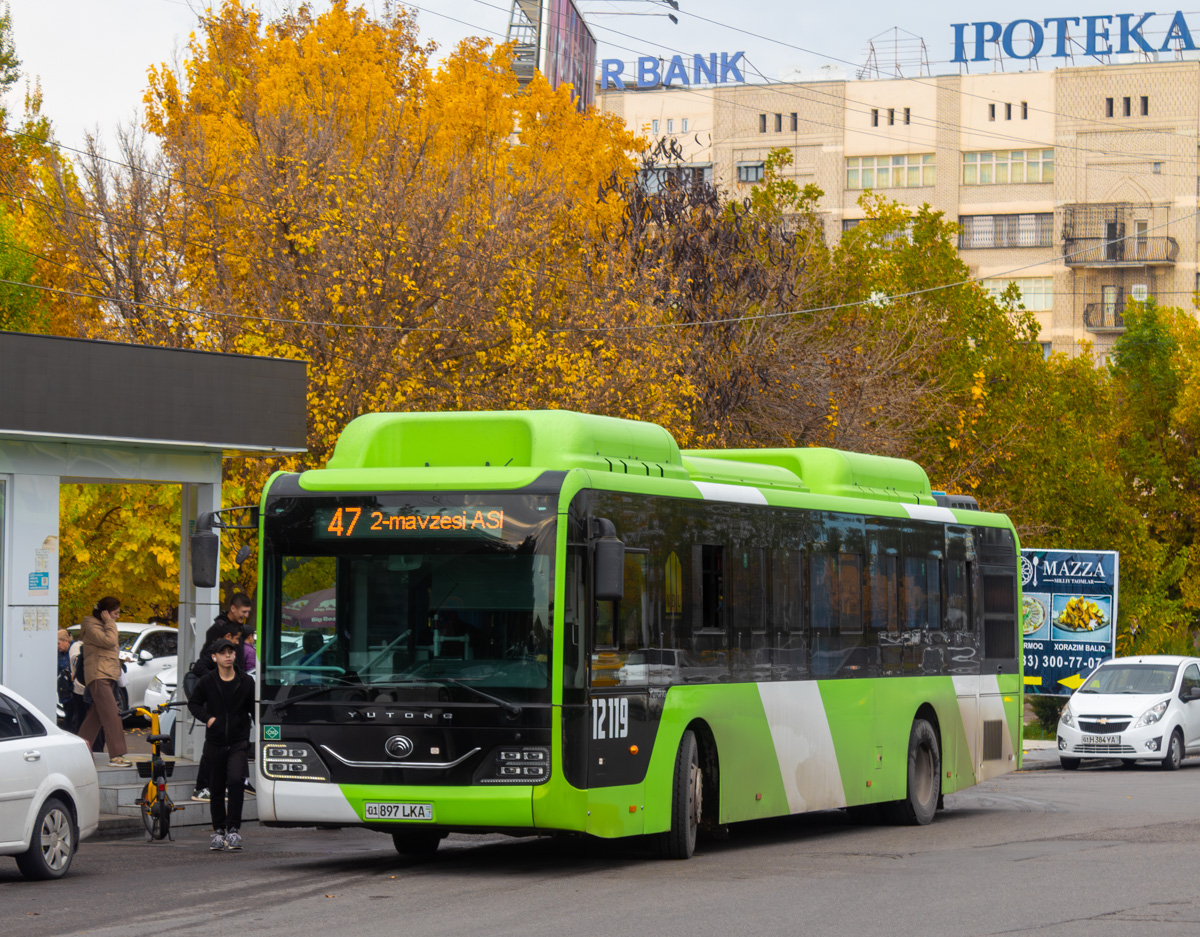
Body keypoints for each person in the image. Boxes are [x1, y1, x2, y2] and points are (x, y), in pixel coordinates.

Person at [187, 637, 255, 851]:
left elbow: (254, 708)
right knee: (216, 787)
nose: (228, 656)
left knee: (235, 782)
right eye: (223, 652)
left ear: (235, 655)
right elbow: (194, 703)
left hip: (238, 741)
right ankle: (218, 831)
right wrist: (208, 718)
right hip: (215, 742)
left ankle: (233, 830)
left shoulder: (246, 681)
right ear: (214, 657)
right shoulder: (207, 681)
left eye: (231, 652)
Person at [190, 593, 253, 803]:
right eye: (243, 612)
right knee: (214, 745)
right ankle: (203, 785)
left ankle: (239, 780)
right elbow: (203, 664)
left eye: (236, 644)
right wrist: (216, 681)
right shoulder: (217, 633)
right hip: (220, 697)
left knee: (239, 740)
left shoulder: (237, 634)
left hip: (235, 692)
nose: (233, 649)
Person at [76, 597, 130, 767]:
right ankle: (116, 755)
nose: (117, 617)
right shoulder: (92, 627)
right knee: (112, 716)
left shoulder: (102, 627)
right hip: (99, 677)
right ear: (104, 613)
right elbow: (109, 642)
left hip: (105, 675)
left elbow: (107, 650)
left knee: (95, 718)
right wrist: (110, 623)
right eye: (115, 613)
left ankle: (78, 752)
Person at [65, 631, 87, 733]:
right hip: (80, 689)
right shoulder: (77, 647)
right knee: (80, 718)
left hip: (86, 688)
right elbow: (76, 663)